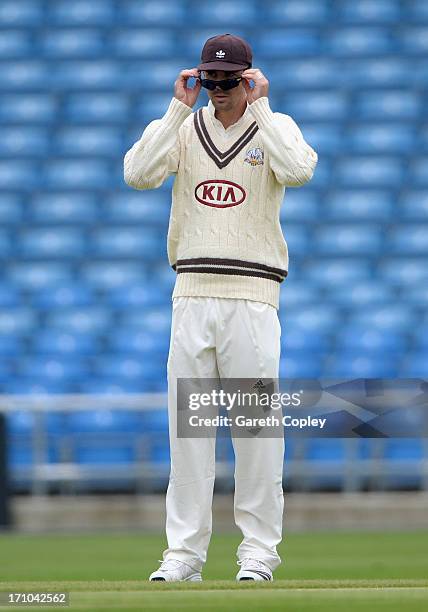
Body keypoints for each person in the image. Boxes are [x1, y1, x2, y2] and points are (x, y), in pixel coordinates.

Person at [124, 33, 318, 582]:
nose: (219, 90)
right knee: (189, 435)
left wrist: (263, 105)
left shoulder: (274, 126)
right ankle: (183, 555)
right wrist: (174, 109)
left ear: (249, 77)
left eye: (230, 80)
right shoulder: (182, 127)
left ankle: (258, 554)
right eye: (212, 79)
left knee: (256, 432)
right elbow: (137, 174)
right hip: (191, 294)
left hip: (253, 299)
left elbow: (299, 169)